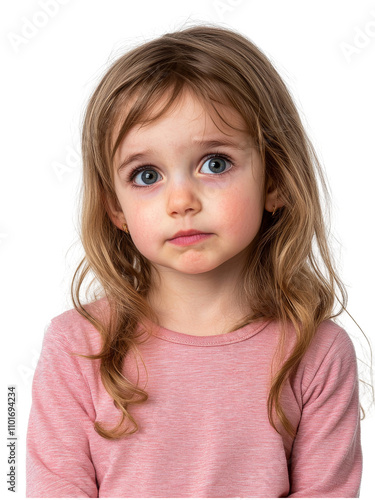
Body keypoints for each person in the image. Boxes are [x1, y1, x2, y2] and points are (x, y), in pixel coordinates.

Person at [26, 24, 363, 497]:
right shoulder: (76, 346)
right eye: (147, 175)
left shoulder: (317, 351)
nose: (181, 200)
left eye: (215, 163)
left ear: (275, 179)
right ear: (115, 207)